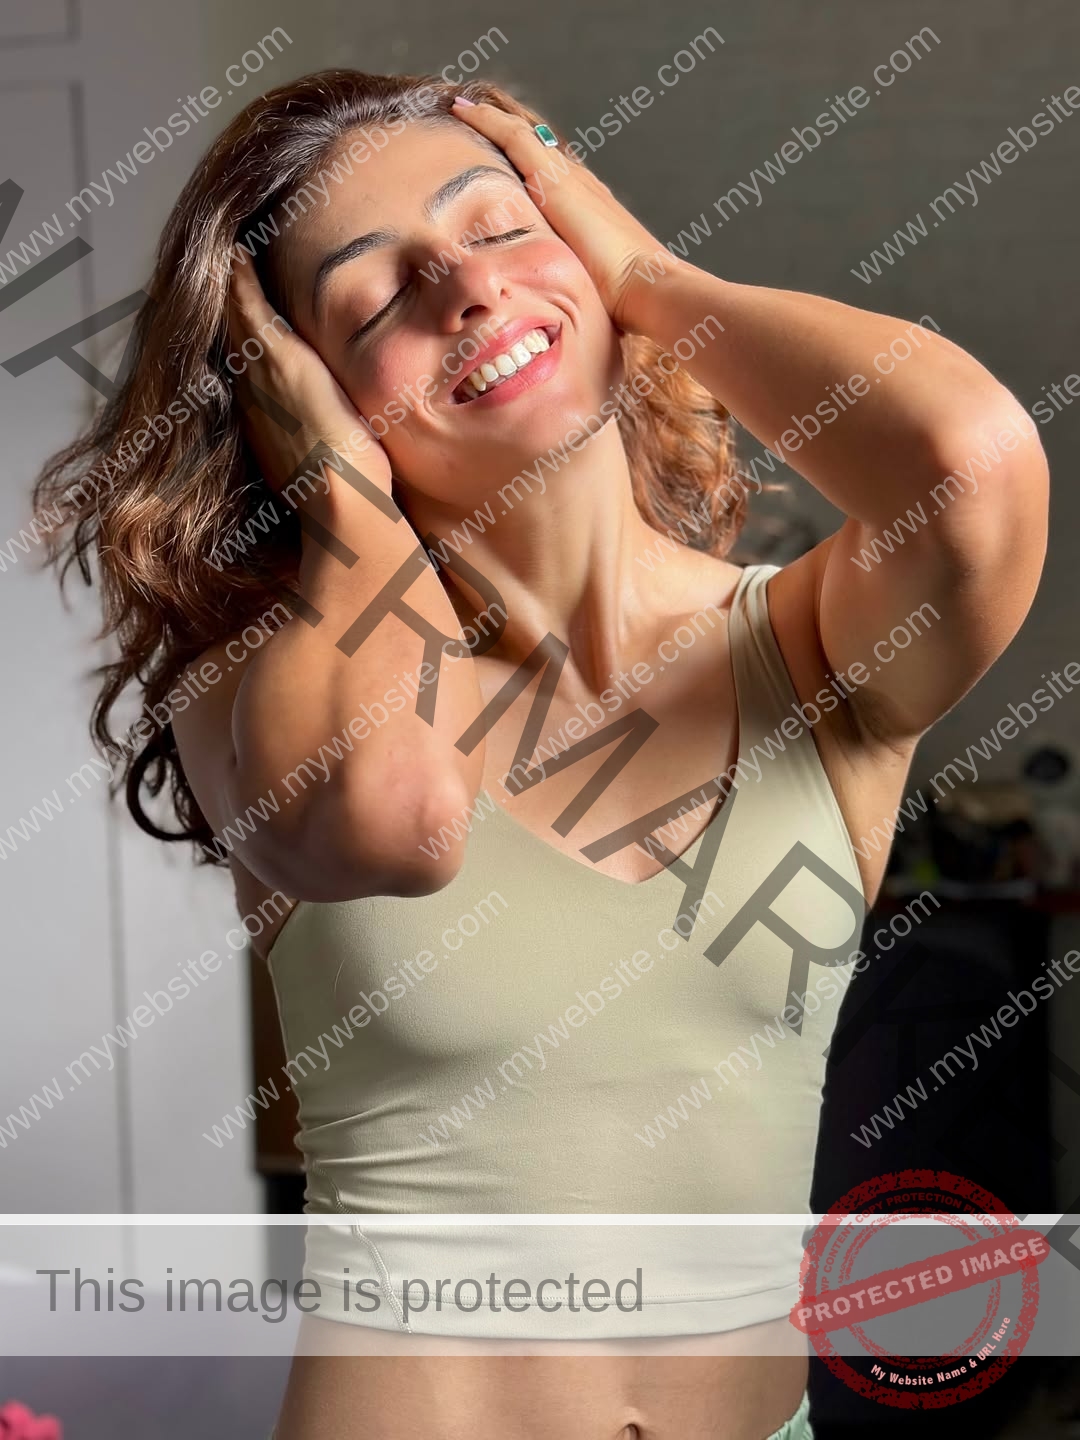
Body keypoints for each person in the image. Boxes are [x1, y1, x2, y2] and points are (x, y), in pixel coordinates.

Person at [32, 68, 1048, 1440]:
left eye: (501, 224)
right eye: (377, 297)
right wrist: (348, 512)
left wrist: (645, 272)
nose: (463, 287)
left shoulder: (813, 652)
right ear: (298, 402)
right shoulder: (262, 686)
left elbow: (971, 464)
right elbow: (399, 819)